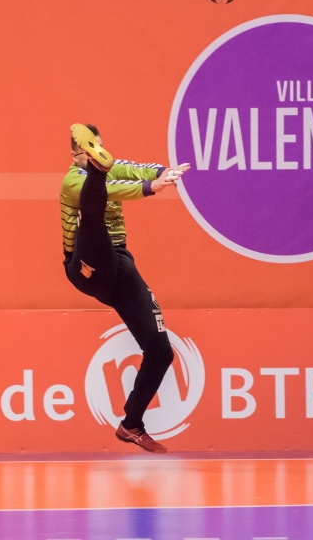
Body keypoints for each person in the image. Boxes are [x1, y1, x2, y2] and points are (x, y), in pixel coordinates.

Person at [61, 123, 190, 453]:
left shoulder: (112, 167)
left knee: (161, 351)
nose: (96, 157)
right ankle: (97, 197)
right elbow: (113, 189)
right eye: (90, 153)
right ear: (77, 154)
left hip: (118, 267)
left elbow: (138, 169)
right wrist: (150, 188)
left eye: (100, 151)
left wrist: (165, 172)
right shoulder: (72, 180)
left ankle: (131, 424)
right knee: (93, 214)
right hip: (85, 264)